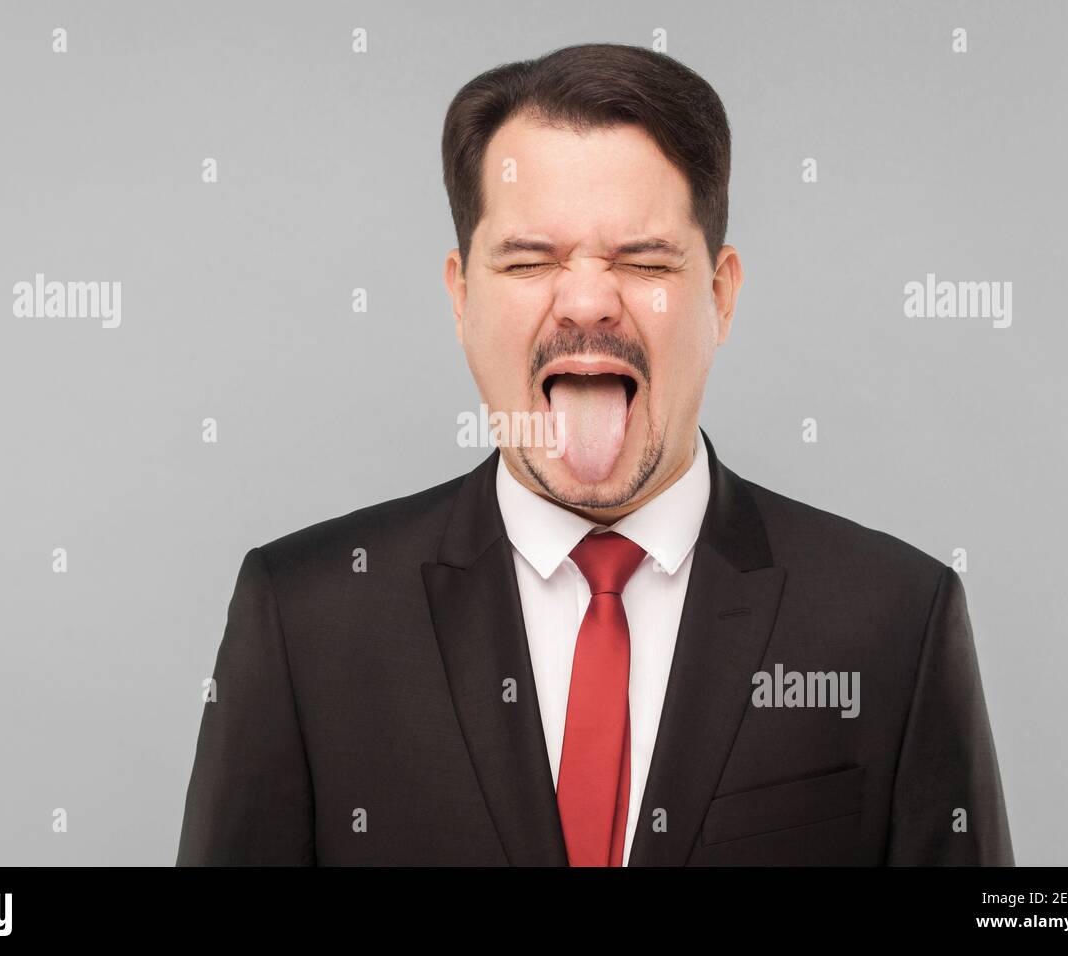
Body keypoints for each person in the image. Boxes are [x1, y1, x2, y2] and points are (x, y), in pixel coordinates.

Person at [176, 42, 1014, 866]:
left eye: (643, 260)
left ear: (720, 296)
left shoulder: (894, 621)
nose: (586, 301)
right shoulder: (305, 619)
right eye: (530, 260)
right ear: (461, 296)